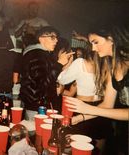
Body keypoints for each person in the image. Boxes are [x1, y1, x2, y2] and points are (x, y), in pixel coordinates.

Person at [65, 24, 128, 154]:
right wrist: (80, 117)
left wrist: (88, 108)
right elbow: (107, 105)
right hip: (123, 132)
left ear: (111, 39)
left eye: (96, 42)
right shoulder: (113, 65)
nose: (93, 48)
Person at [20, 26, 74, 121]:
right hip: (37, 107)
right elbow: (42, 83)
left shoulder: (41, 54)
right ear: (41, 38)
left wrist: (63, 65)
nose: (56, 41)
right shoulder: (37, 54)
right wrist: (59, 64)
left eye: (56, 38)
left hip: (37, 105)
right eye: (52, 37)